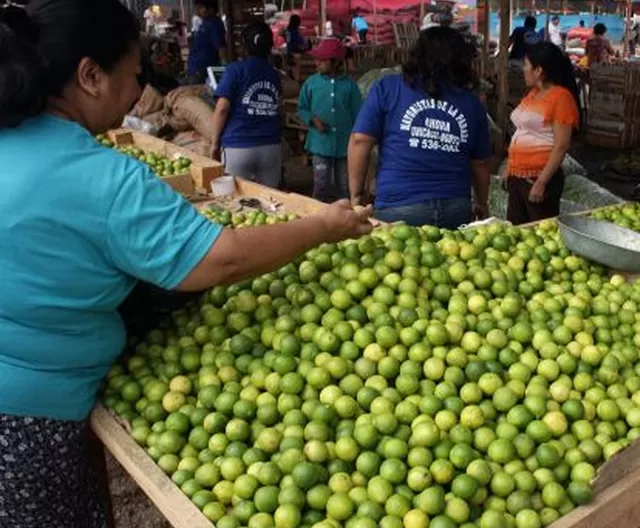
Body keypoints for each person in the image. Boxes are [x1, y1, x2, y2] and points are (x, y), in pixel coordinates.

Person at [0, 1, 373, 526]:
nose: (137, 92)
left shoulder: (10, 138)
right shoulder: (100, 176)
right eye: (133, 76)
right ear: (90, 75)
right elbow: (221, 260)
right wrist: (322, 227)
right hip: (27, 415)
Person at [348, 26, 492, 228]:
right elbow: (481, 163)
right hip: (455, 208)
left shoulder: (389, 88)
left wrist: (356, 196)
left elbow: (360, 141)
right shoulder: (471, 103)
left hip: (399, 207)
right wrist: (481, 203)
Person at [504, 42, 580, 224]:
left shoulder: (561, 98)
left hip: (537, 179)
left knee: (539, 235)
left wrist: (541, 182)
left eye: (526, 65)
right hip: (518, 177)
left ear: (538, 70)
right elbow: (522, 131)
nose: (523, 69)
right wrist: (510, 168)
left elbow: (561, 146)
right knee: (516, 233)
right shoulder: (533, 94)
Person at [210, 21, 283, 188]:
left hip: (238, 145)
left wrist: (214, 144)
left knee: (236, 202)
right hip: (270, 146)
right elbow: (279, 109)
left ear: (244, 46)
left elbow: (222, 109)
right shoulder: (274, 74)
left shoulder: (235, 70)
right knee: (271, 203)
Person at [297, 39, 361, 203]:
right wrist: (312, 119)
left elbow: (358, 115)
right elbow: (302, 108)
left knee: (344, 185)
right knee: (320, 186)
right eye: (316, 58)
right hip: (320, 144)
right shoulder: (311, 83)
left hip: (344, 146)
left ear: (336, 62)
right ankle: (319, 218)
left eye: (322, 60)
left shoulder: (350, 85)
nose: (316, 62)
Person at [187, 0, 226, 83]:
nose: (197, 11)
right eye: (197, 8)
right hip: (196, 69)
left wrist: (224, 69)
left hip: (204, 72)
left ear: (211, 9)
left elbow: (221, 48)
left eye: (200, 7)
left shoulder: (215, 24)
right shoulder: (205, 22)